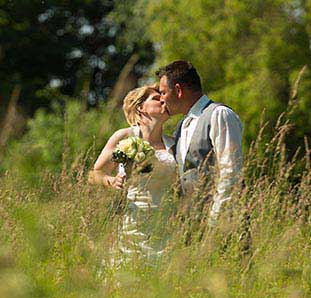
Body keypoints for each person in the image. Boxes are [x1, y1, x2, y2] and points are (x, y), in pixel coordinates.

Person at [88, 84, 176, 261]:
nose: (163, 100)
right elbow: (94, 174)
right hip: (134, 219)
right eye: (156, 98)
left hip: (165, 223)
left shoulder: (174, 143)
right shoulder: (125, 136)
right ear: (140, 107)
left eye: (163, 96)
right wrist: (111, 181)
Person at [156, 60, 243, 223]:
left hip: (222, 222)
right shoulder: (182, 125)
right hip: (193, 223)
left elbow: (231, 171)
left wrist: (215, 219)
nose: (161, 100)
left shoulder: (219, 114)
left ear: (178, 90)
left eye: (163, 93)